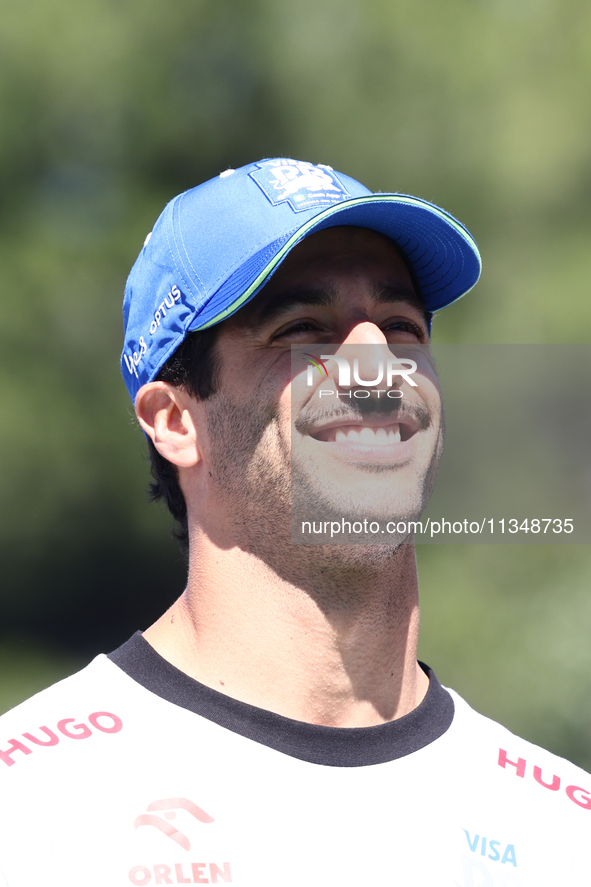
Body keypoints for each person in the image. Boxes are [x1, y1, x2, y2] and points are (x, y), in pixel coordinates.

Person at [0, 158, 588, 886]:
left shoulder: (562, 830)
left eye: (401, 327)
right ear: (175, 420)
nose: (374, 361)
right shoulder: (31, 812)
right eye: (302, 328)